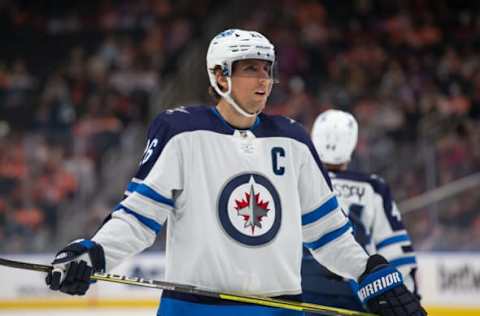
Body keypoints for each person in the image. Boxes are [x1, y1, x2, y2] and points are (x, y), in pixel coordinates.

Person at [45, 29, 426, 316]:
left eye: (266, 69)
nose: (263, 80)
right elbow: (139, 218)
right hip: (194, 308)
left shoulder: (293, 139)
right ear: (220, 76)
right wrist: (94, 254)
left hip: (278, 309)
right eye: (250, 69)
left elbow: (327, 233)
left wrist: (369, 272)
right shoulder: (180, 132)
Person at [302, 109, 421, 313]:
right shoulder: (372, 188)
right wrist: (409, 296)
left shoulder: (296, 181)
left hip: (301, 291)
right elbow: (396, 252)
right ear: (352, 143)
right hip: (355, 292)